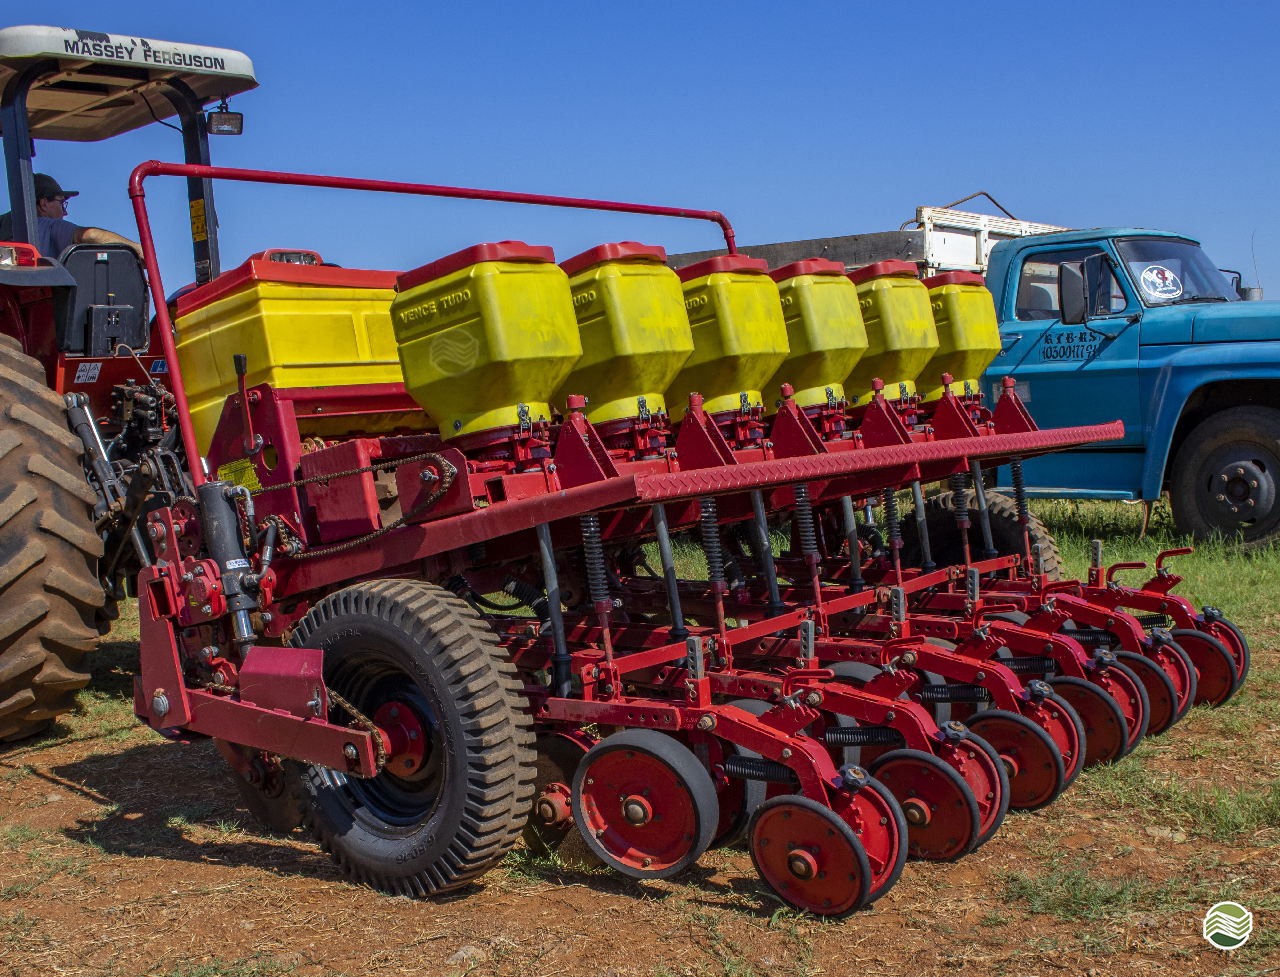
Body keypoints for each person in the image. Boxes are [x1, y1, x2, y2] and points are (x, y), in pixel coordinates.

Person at [0, 173, 141, 259]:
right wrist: (139, 251)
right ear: (43, 203)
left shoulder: (5, 226)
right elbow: (91, 235)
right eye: (61, 203)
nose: (65, 212)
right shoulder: (48, 226)